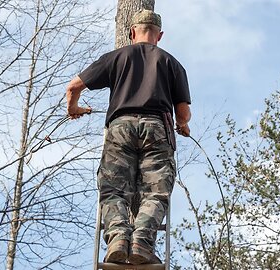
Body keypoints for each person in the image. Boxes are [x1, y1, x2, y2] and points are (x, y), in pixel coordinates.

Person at [66, 9, 191, 265]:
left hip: (120, 128)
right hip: (158, 128)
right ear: (160, 35)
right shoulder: (172, 63)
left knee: (113, 189)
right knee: (156, 192)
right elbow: (183, 112)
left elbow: (73, 86)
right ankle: (141, 243)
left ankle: (118, 240)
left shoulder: (116, 57)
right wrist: (183, 124)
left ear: (132, 32)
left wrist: (74, 108)